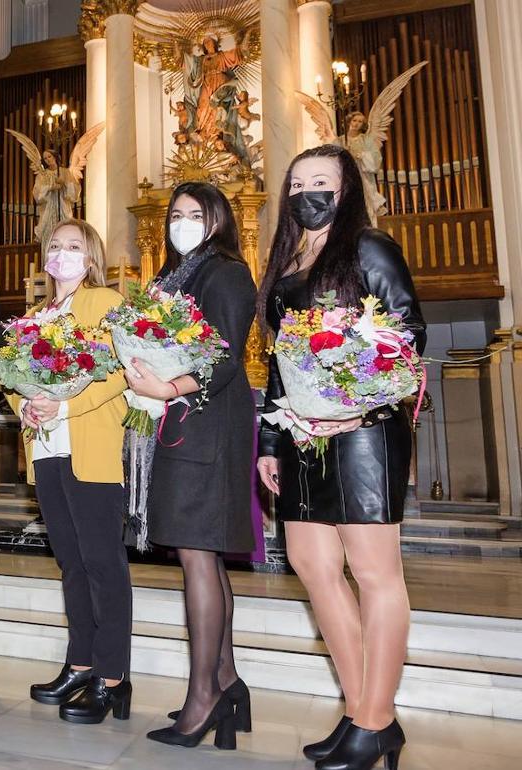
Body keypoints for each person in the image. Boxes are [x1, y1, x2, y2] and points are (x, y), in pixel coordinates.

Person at [257, 144, 425, 770]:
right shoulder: (288, 261)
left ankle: (374, 718)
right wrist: (270, 441)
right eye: (298, 183)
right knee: (311, 561)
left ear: (346, 188)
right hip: (301, 430)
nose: (308, 192)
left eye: (321, 182)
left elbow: (406, 333)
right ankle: (363, 711)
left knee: (374, 571)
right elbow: (279, 364)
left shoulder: (369, 248)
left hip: (364, 429)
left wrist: (359, 398)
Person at [123, 182, 256, 751]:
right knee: (196, 552)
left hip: (208, 420)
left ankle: (204, 695)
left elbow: (224, 353)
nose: (180, 223)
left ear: (217, 220)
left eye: (192, 215)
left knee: (199, 552)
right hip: (177, 420)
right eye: (174, 214)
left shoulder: (225, 271)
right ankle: (225, 682)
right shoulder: (167, 279)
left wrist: (169, 384)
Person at [7, 219, 132, 724]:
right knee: (72, 565)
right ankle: (80, 664)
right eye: (55, 246)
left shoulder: (105, 303)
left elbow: (123, 370)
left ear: (91, 255)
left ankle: (113, 677)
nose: (62, 254)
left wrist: (64, 406)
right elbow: (13, 376)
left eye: (73, 246)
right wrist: (25, 407)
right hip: (47, 452)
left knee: (103, 565)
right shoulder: (34, 315)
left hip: (91, 448)